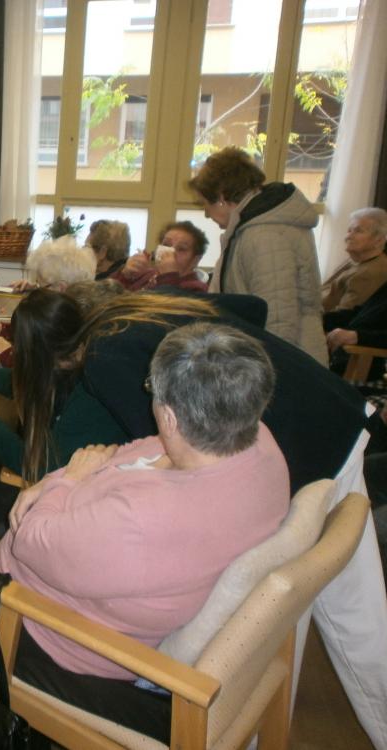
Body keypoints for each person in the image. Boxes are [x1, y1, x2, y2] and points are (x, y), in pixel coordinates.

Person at [0, 323, 288, 744]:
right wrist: (67, 480)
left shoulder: (142, 520)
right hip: (96, 580)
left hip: (61, 640)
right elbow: (130, 450)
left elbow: (28, 537)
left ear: (170, 417)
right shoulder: (257, 444)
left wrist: (65, 482)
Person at [74, 290, 387, 750]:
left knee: (269, 630)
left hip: (302, 455)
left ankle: (255, 737)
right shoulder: (150, 303)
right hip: (334, 413)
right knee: (357, 613)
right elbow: (254, 308)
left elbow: (166, 442)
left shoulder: (104, 353)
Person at [0, 289, 128, 619]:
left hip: (57, 493)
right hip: (53, 473)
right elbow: (34, 383)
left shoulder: (89, 398)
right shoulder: (76, 363)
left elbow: (37, 465)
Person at [189, 146, 326, 364]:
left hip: (286, 362)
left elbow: (278, 320)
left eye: (205, 204)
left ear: (221, 197)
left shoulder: (266, 235)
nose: (206, 214)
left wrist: (263, 373)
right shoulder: (253, 227)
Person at [0, 236, 97, 364]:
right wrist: (4, 330)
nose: (37, 291)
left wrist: (8, 354)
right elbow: (39, 334)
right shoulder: (73, 312)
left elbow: (43, 371)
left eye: (41, 286)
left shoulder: (73, 328)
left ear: (60, 288)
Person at [111, 220, 209, 293]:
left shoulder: (196, 288)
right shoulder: (147, 274)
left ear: (195, 259)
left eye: (181, 249)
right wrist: (124, 275)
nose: (171, 252)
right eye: (166, 245)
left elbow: (165, 308)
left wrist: (168, 276)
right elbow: (108, 295)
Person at [321, 207, 387, 313]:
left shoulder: (370, 274)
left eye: (358, 231)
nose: (348, 236)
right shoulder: (356, 259)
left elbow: (341, 317)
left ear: (379, 240)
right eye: (349, 230)